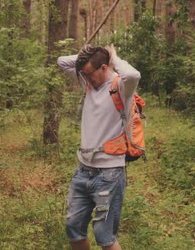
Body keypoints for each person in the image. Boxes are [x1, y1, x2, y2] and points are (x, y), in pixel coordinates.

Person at [57, 44, 141, 250]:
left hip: (109, 173)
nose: (86, 78)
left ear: (104, 68)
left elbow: (133, 74)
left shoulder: (120, 87)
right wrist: (92, 55)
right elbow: (61, 61)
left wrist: (112, 57)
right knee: (73, 228)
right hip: (83, 171)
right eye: (83, 74)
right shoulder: (88, 81)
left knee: (104, 235)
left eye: (89, 73)